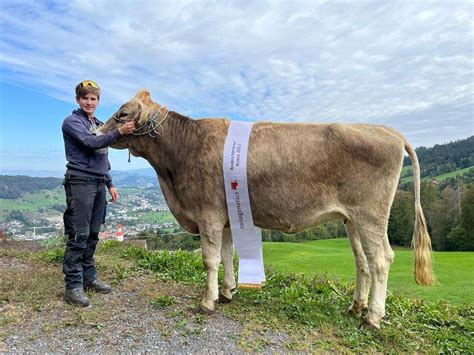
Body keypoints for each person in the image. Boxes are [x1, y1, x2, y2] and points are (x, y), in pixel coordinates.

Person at [61, 80, 135, 307]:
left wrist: (109, 182)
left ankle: (88, 278)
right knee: (79, 235)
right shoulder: (72, 122)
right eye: (85, 98)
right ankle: (73, 286)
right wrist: (119, 131)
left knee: (93, 234)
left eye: (93, 98)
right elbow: (90, 142)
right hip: (80, 182)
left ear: (97, 101)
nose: (89, 102)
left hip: (98, 182)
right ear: (78, 100)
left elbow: (103, 155)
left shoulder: (98, 123)